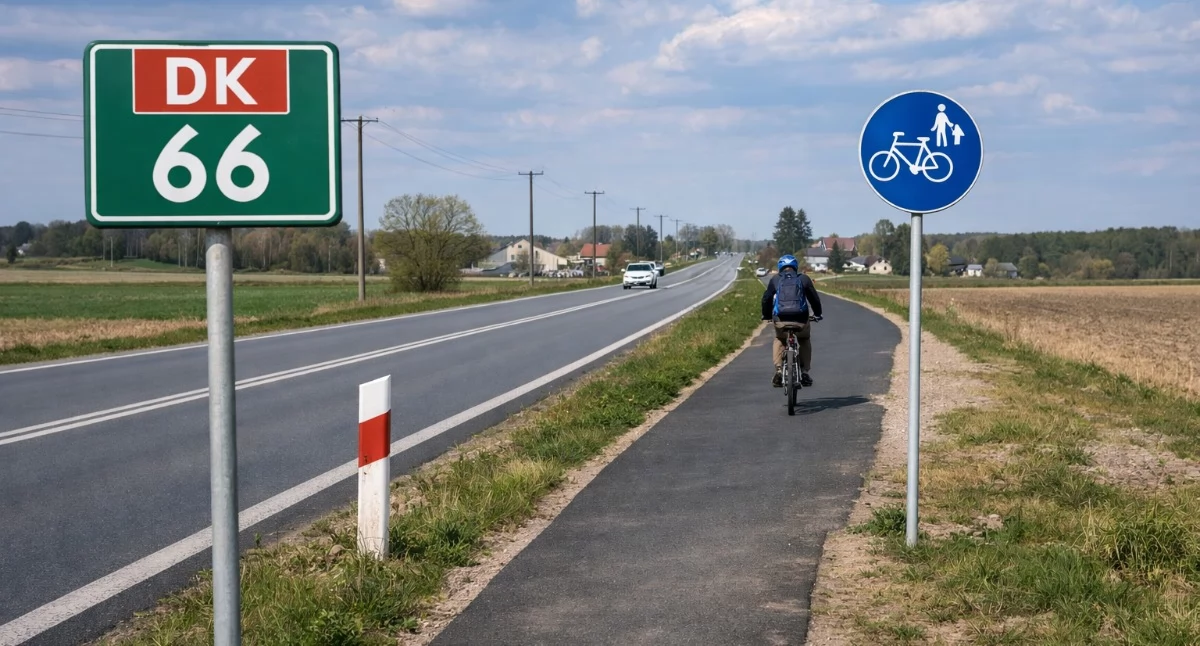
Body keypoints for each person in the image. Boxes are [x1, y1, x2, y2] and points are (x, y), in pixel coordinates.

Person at [760, 254, 823, 387]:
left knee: (779, 339)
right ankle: (805, 372)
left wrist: (766, 316)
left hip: (781, 320)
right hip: (801, 320)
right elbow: (814, 299)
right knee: (804, 340)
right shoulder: (804, 279)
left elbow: (766, 299)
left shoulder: (775, 279)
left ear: (780, 267)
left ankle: (778, 370)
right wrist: (818, 314)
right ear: (795, 267)